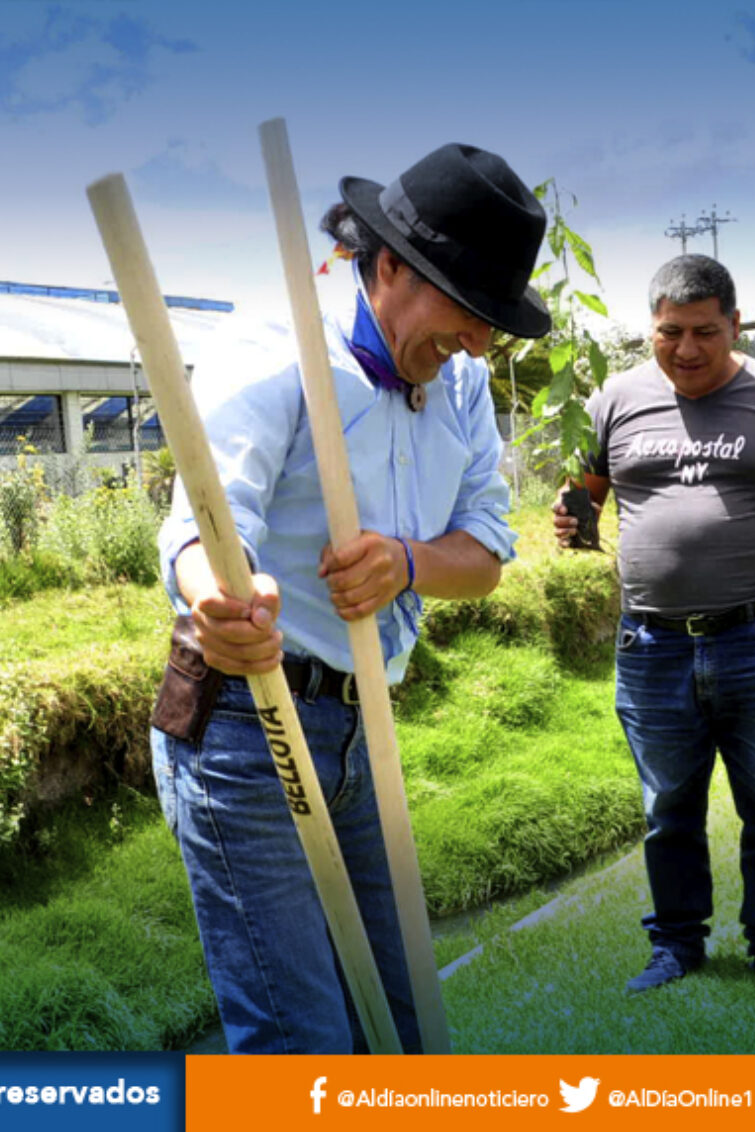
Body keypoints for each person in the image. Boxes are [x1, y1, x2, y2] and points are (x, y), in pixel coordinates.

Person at [147, 143, 550, 1054]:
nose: (478, 343)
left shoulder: (463, 386)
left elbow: (485, 552)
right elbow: (203, 523)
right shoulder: (277, 348)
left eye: (493, 322)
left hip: (363, 726)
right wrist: (222, 603)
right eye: (469, 310)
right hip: (248, 720)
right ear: (391, 265)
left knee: (407, 1027)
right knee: (305, 1045)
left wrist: (407, 562)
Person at [554, 255, 755, 993]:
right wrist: (572, 519)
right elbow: (586, 492)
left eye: (704, 332)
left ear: (735, 325)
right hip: (650, 643)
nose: (686, 349)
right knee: (667, 807)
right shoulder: (614, 398)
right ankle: (677, 945)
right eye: (669, 332)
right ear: (650, 327)